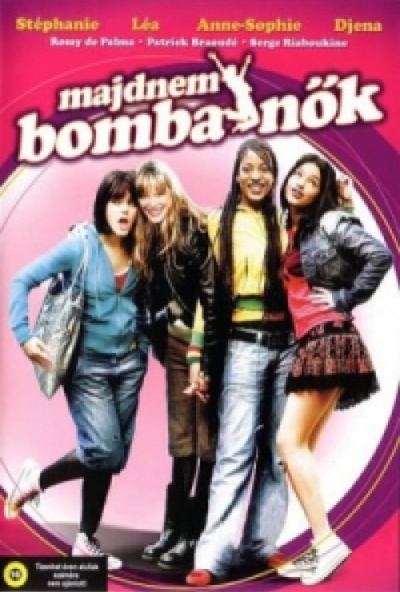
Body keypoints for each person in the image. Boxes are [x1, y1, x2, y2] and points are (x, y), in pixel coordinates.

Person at [7, 171, 149, 570]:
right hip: (89, 367)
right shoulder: (81, 246)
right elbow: (22, 279)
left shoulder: (142, 248)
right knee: (103, 450)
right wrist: (24, 336)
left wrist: (145, 346)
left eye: (131, 202)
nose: (125, 210)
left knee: (111, 460)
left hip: (130, 366)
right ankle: (36, 482)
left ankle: (85, 540)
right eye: (117, 201)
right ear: (103, 205)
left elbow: (146, 303)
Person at [274, 154, 392, 585]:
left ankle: (326, 543)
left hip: (328, 338)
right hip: (316, 340)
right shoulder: (293, 229)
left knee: (288, 442)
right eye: (297, 175)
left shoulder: (328, 222)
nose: (300, 183)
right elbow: (339, 259)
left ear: (319, 192)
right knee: (300, 450)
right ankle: (317, 546)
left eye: (311, 180)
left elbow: (378, 255)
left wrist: (344, 298)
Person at [186, 138, 296, 586]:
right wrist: (196, 355)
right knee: (234, 452)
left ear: (274, 176)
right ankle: (211, 556)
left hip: (288, 344)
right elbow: (208, 296)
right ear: (236, 174)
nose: (256, 176)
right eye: (248, 168)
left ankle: (260, 546)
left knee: (279, 452)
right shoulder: (220, 221)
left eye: (265, 168)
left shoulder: (287, 222)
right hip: (242, 345)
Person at [133, 160, 220, 570]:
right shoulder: (146, 235)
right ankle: (172, 529)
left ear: (173, 190)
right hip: (173, 347)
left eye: (159, 192)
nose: (152, 202)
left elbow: (211, 296)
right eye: (144, 195)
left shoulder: (194, 229)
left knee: (206, 442)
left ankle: (193, 533)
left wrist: (205, 356)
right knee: (181, 440)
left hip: (204, 347)